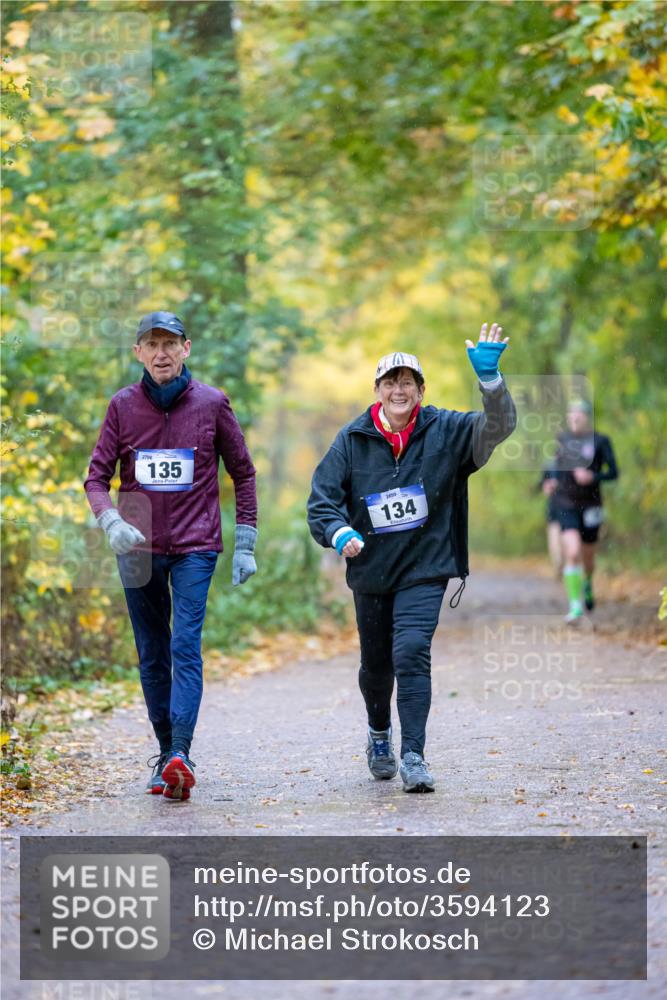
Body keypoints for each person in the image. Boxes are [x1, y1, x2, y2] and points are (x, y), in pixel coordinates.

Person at [307, 323, 516, 793]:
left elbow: (498, 427)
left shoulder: (447, 431)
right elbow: (322, 500)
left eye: (407, 382)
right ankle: (379, 733)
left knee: (411, 652)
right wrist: (339, 532)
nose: (398, 389)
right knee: (376, 665)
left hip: (426, 567)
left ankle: (414, 755)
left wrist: (491, 381)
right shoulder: (352, 439)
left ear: (421, 391)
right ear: (377, 391)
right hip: (373, 569)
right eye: (389, 382)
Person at [84, 311, 258, 801]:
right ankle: (165, 756)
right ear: (138, 353)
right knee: (151, 653)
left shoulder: (212, 403)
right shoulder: (122, 406)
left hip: (196, 545)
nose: (161, 353)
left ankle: (181, 750)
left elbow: (243, 472)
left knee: (184, 644)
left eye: (170, 344)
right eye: (151, 344)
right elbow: (96, 477)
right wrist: (110, 521)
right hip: (135, 547)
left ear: (186, 349)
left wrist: (245, 540)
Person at [545, 398, 618, 623]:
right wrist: (551, 482)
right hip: (566, 504)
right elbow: (556, 466)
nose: (575, 417)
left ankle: (587, 582)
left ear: (588, 417)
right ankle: (575, 606)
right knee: (573, 552)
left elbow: (614, 472)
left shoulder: (601, 441)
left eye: (580, 413)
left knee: (588, 558)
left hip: (592, 505)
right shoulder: (563, 439)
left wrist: (593, 476)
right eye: (572, 413)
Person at [540, 462, 563, 578]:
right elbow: (542, 486)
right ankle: (558, 567)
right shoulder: (550, 466)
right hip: (554, 509)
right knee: (555, 542)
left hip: (571, 508)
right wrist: (548, 486)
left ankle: (565, 567)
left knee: (565, 542)